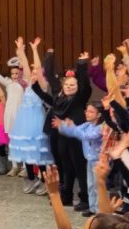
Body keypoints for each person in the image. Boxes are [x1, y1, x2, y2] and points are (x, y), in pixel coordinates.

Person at [33, 49, 93, 211]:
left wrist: (82, 64)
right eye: (67, 84)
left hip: (76, 137)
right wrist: (49, 56)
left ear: (77, 87)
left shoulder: (80, 97)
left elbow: (84, 82)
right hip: (62, 137)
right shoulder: (59, 97)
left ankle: (85, 199)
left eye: (73, 85)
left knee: (79, 167)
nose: (69, 87)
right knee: (65, 167)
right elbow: (50, 77)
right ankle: (66, 196)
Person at [9, 39, 53, 195]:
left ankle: (43, 180)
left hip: (36, 120)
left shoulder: (43, 85)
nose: (33, 74)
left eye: (36, 73)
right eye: (32, 73)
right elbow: (26, 66)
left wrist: (34, 50)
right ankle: (31, 178)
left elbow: (37, 67)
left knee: (38, 151)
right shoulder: (28, 84)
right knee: (26, 149)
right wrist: (21, 51)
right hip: (24, 121)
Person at [54, 104, 104, 215]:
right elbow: (74, 131)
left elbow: (87, 136)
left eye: (91, 112)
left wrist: (73, 128)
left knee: (97, 186)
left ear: (99, 114)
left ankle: (99, 210)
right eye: (87, 111)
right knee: (91, 185)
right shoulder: (87, 125)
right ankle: (93, 208)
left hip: (99, 161)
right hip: (90, 160)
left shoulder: (101, 127)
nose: (87, 113)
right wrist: (63, 126)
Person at [0, 49, 25, 176]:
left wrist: (22, 59)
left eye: (17, 73)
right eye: (12, 73)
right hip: (9, 115)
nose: (14, 75)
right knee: (12, 142)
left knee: (22, 142)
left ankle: (25, 167)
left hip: (20, 116)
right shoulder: (8, 83)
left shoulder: (24, 84)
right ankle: (14, 166)